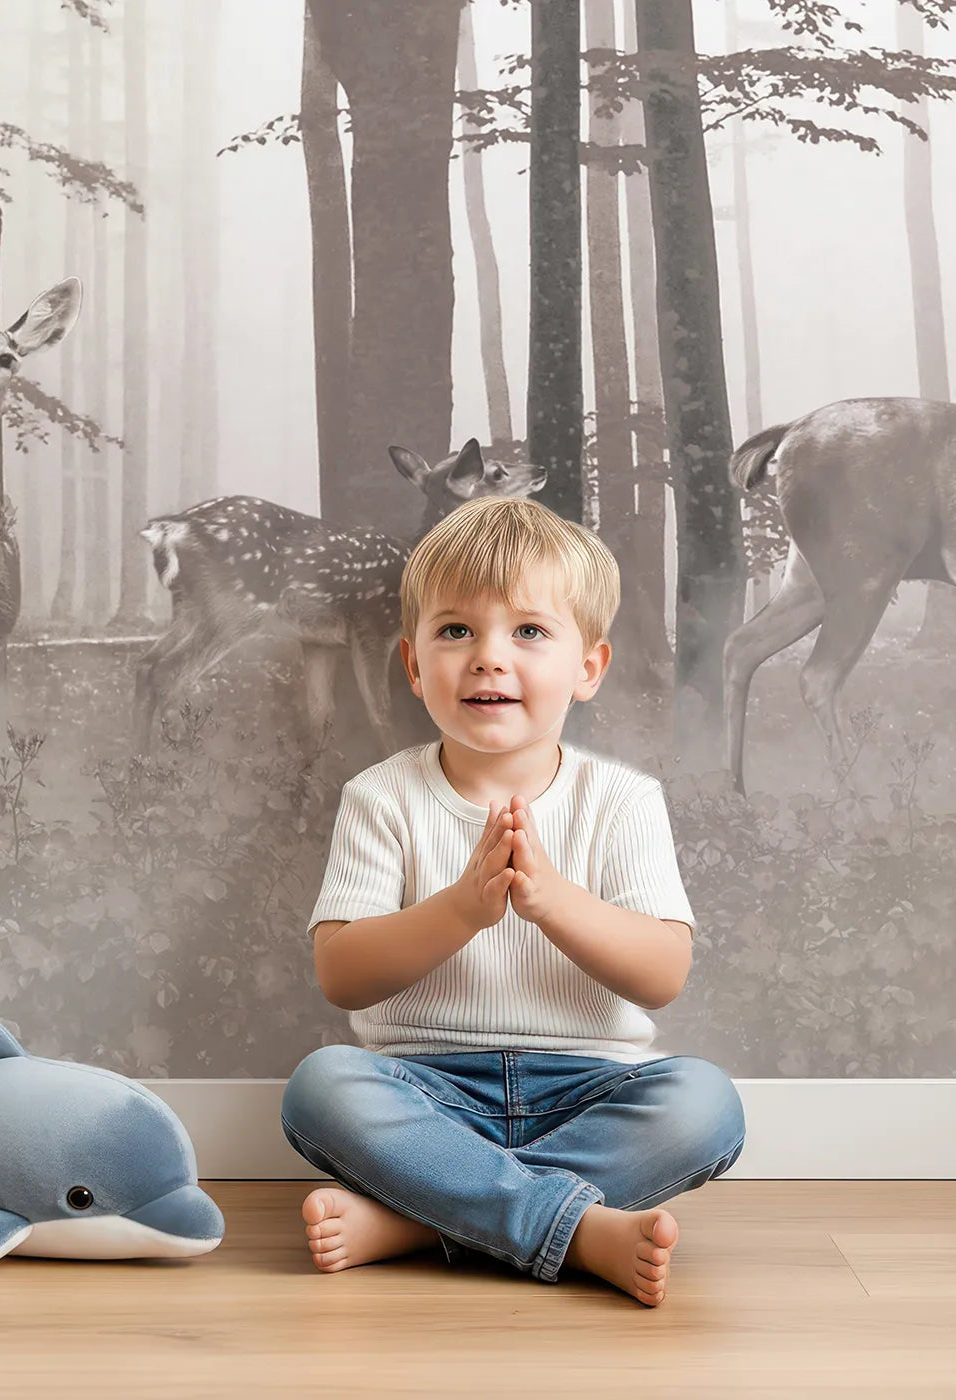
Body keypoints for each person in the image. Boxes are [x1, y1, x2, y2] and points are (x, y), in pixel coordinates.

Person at [280, 496, 745, 1307]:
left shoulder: (622, 800)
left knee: (706, 1104)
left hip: (590, 1090)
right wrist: (462, 909)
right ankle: (571, 1228)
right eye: (456, 630)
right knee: (321, 1087)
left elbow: (663, 974)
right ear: (413, 664)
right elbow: (342, 975)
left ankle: (428, 1221)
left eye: (528, 631)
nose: (489, 658)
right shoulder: (381, 797)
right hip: (427, 1092)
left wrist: (553, 901)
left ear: (588, 668)